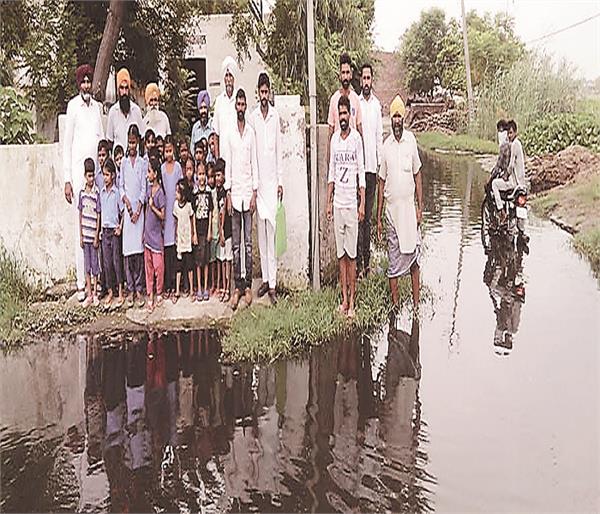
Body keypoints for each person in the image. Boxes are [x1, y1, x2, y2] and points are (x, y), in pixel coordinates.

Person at [376, 95, 423, 308]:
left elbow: (418, 174)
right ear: (390, 118)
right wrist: (378, 217)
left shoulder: (411, 141)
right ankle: (395, 305)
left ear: (403, 118)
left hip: (409, 212)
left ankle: (416, 304)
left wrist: (420, 208)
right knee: (394, 262)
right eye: (393, 116)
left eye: (399, 116)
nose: (396, 120)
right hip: (392, 213)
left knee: (413, 260)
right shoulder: (385, 146)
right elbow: (381, 181)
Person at [63, 63, 104, 301]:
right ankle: (82, 284)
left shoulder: (96, 108)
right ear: (79, 85)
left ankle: (96, 285)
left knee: (96, 231)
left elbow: (101, 140)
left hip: (96, 177)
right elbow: (67, 145)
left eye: (89, 81)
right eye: (83, 82)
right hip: (79, 178)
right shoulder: (73, 107)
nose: (87, 85)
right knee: (82, 231)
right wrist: (68, 179)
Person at [326, 95, 366, 319]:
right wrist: (329, 202)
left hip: (351, 205)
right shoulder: (334, 140)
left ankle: (353, 302)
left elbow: (361, 173)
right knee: (341, 256)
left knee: (352, 256)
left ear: (350, 114)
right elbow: (332, 172)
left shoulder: (356, 140)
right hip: (338, 204)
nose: (342, 117)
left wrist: (361, 204)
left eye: (345, 113)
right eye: (339, 113)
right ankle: (343, 300)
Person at [248, 72, 283, 305]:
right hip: (259, 185)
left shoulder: (275, 116)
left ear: (269, 92)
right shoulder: (252, 118)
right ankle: (264, 280)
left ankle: (273, 284)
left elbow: (279, 150)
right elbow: (251, 154)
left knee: (272, 236)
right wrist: (253, 185)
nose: (263, 95)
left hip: (273, 185)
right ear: (257, 93)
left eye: (266, 91)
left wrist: (280, 181)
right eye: (260, 92)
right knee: (261, 236)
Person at [223, 88, 258, 310]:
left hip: (248, 193)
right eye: (238, 104)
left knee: (247, 245)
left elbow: (254, 162)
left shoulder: (251, 133)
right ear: (235, 106)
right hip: (235, 195)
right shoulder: (230, 134)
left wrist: (255, 192)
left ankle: (247, 287)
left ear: (246, 106)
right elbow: (228, 166)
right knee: (235, 246)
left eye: (244, 105)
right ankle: (236, 287)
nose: (241, 108)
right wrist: (227, 193)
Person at [357, 63, 383, 277]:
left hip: (372, 169)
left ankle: (366, 264)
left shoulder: (376, 105)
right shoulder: (355, 104)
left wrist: (380, 164)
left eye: (369, 78)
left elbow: (377, 137)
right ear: (360, 80)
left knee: (368, 218)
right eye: (363, 78)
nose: (366, 82)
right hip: (357, 170)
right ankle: (356, 264)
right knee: (358, 216)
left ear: (372, 80)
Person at [119, 124, 146, 308]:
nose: (132, 146)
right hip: (128, 213)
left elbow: (144, 188)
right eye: (129, 142)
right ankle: (130, 289)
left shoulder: (143, 163)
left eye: (134, 142)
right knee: (128, 253)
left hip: (139, 211)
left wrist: (138, 209)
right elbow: (121, 185)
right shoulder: (123, 163)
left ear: (138, 142)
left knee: (139, 252)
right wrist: (127, 204)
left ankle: (139, 288)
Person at [99, 158, 124, 308]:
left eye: (107, 175)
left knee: (116, 262)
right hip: (105, 231)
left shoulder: (116, 193)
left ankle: (120, 290)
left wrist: (120, 227)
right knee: (106, 263)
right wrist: (100, 231)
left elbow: (123, 212)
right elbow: (101, 213)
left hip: (114, 231)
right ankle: (110, 291)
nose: (105, 178)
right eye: (103, 174)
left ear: (113, 176)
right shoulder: (102, 193)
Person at [161, 135, 183, 299]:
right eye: (165, 151)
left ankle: (178, 285)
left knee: (176, 250)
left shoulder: (178, 168)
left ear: (173, 150)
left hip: (176, 212)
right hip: (164, 213)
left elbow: (181, 189)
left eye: (170, 151)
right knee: (166, 251)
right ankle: (167, 285)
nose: (168, 154)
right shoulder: (161, 168)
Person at [491, 119, 526, 223]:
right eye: (508, 133)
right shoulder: (518, 144)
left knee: (494, 184)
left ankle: (501, 212)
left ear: (515, 132)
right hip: (522, 183)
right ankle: (521, 231)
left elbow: (510, 166)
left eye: (511, 133)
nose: (509, 135)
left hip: (514, 183)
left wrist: (505, 176)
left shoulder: (513, 145)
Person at [144, 159, 166, 312]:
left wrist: (153, 206)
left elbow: (163, 216)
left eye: (149, 171)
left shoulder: (160, 193)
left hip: (156, 237)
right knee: (149, 268)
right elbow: (146, 212)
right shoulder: (148, 190)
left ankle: (159, 292)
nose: (147, 174)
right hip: (147, 236)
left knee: (159, 267)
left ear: (155, 174)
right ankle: (150, 293)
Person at [79, 158, 101, 307]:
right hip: (85, 235)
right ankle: (88, 294)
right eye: (89, 176)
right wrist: (80, 235)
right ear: (85, 176)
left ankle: (95, 293)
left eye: (93, 175)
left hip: (93, 235)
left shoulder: (96, 193)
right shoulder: (81, 193)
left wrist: (96, 235)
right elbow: (80, 214)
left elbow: (98, 214)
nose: (91, 179)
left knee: (95, 266)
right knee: (87, 266)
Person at [106, 67, 145, 151]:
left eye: (126, 88)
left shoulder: (136, 111)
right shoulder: (113, 112)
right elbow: (110, 141)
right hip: (118, 161)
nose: (124, 92)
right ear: (118, 90)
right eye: (121, 88)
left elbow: (142, 139)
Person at [328, 52, 363, 144]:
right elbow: (330, 132)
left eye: (347, 72)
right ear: (340, 75)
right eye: (343, 73)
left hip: (353, 151)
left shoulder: (356, 99)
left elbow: (359, 129)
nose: (345, 76)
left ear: (351, 74)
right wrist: (328, 157)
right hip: (338, 152)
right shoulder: (334, 99)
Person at [193, 161, 214, 302]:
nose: (201, 177)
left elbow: (211, 212)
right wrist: (194, 233)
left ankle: (206, 287)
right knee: (198, 261)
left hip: (206, 230)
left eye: (203, 174)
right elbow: (193, 214)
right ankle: (199, 287)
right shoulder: (194, 193)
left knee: (206, 260)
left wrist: (210, 231)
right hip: (198, 231)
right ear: (196, 175)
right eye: (199, 174)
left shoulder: (208, 192)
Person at [173, 179, 195, 303]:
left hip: (187, 240)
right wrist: (176, 235)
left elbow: (192, 219)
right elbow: (176, 220)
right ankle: (177, 291)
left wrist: (193, 234)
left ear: (184, 194)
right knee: (179, 266)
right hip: (180, 241)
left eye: (178, 192)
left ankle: (192, 290)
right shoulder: (176, 205)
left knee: (189, 266)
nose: (176, 194)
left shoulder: (188, 206)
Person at [213, 56, 239, 158]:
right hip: (223, 156)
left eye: (231, 76)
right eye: (226, 76)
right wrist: (217, 158)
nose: (228, 79)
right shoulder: (219, 101)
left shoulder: (239, 99)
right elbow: (216, 134)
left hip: (238, 157)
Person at [215, 159, 232, 302]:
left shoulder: (226, 193)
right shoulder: (218, 192)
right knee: (221, 259)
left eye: (219, 175)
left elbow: (224, 213)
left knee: (227, 261)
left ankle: (228, 289)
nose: (217, 178)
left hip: (227, 232)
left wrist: (221, 232)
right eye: (216, 175)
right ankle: (222, 286)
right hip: (221, 232)